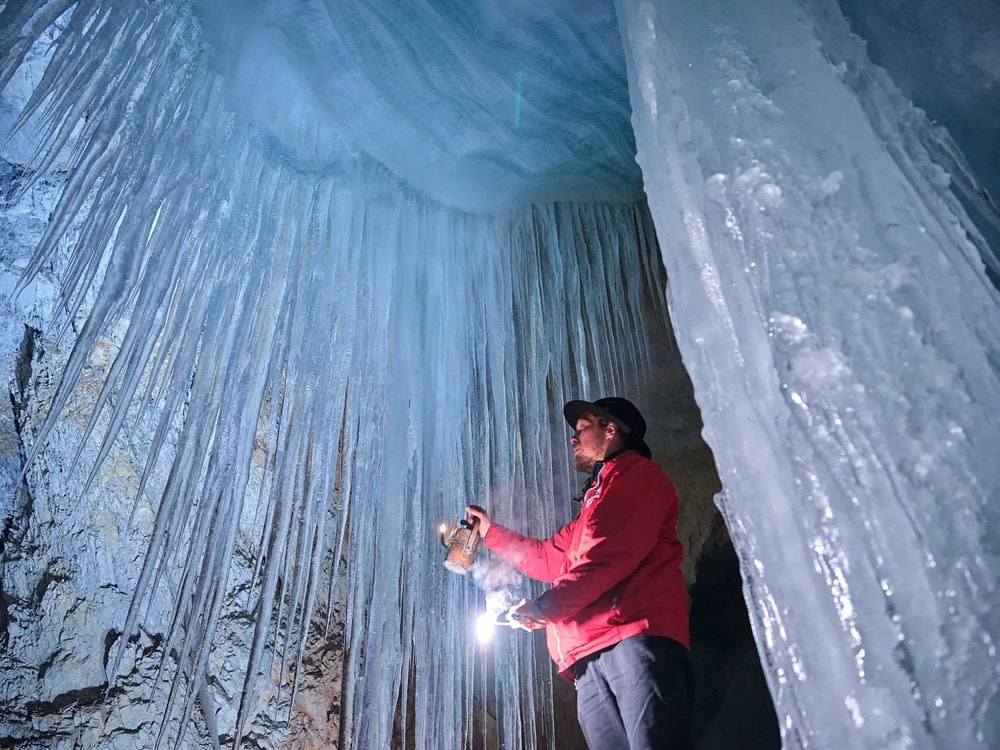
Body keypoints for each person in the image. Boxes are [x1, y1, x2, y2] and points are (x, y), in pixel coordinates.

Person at [466, 397, 692, 750]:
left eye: (582, 428)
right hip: (587, 658)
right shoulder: (593, 508)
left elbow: (608, 557)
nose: (573, 438)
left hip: (631, 637)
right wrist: (489, 532)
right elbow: (545, 558)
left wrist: (546, 607)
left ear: (610, 429)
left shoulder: (637, 478)